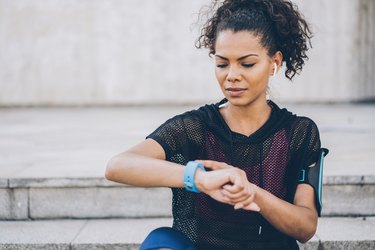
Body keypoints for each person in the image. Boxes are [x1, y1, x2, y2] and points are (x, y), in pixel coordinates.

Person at [105, 0, 328, 249]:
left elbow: (306, 227)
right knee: (162, 241)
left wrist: (251, 192)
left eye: (247, 64)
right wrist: (198, 179)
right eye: (222, 63)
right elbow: (118, 166)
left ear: (274, 62)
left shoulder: (297, 132)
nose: (231, 75)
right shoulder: (196, 128)